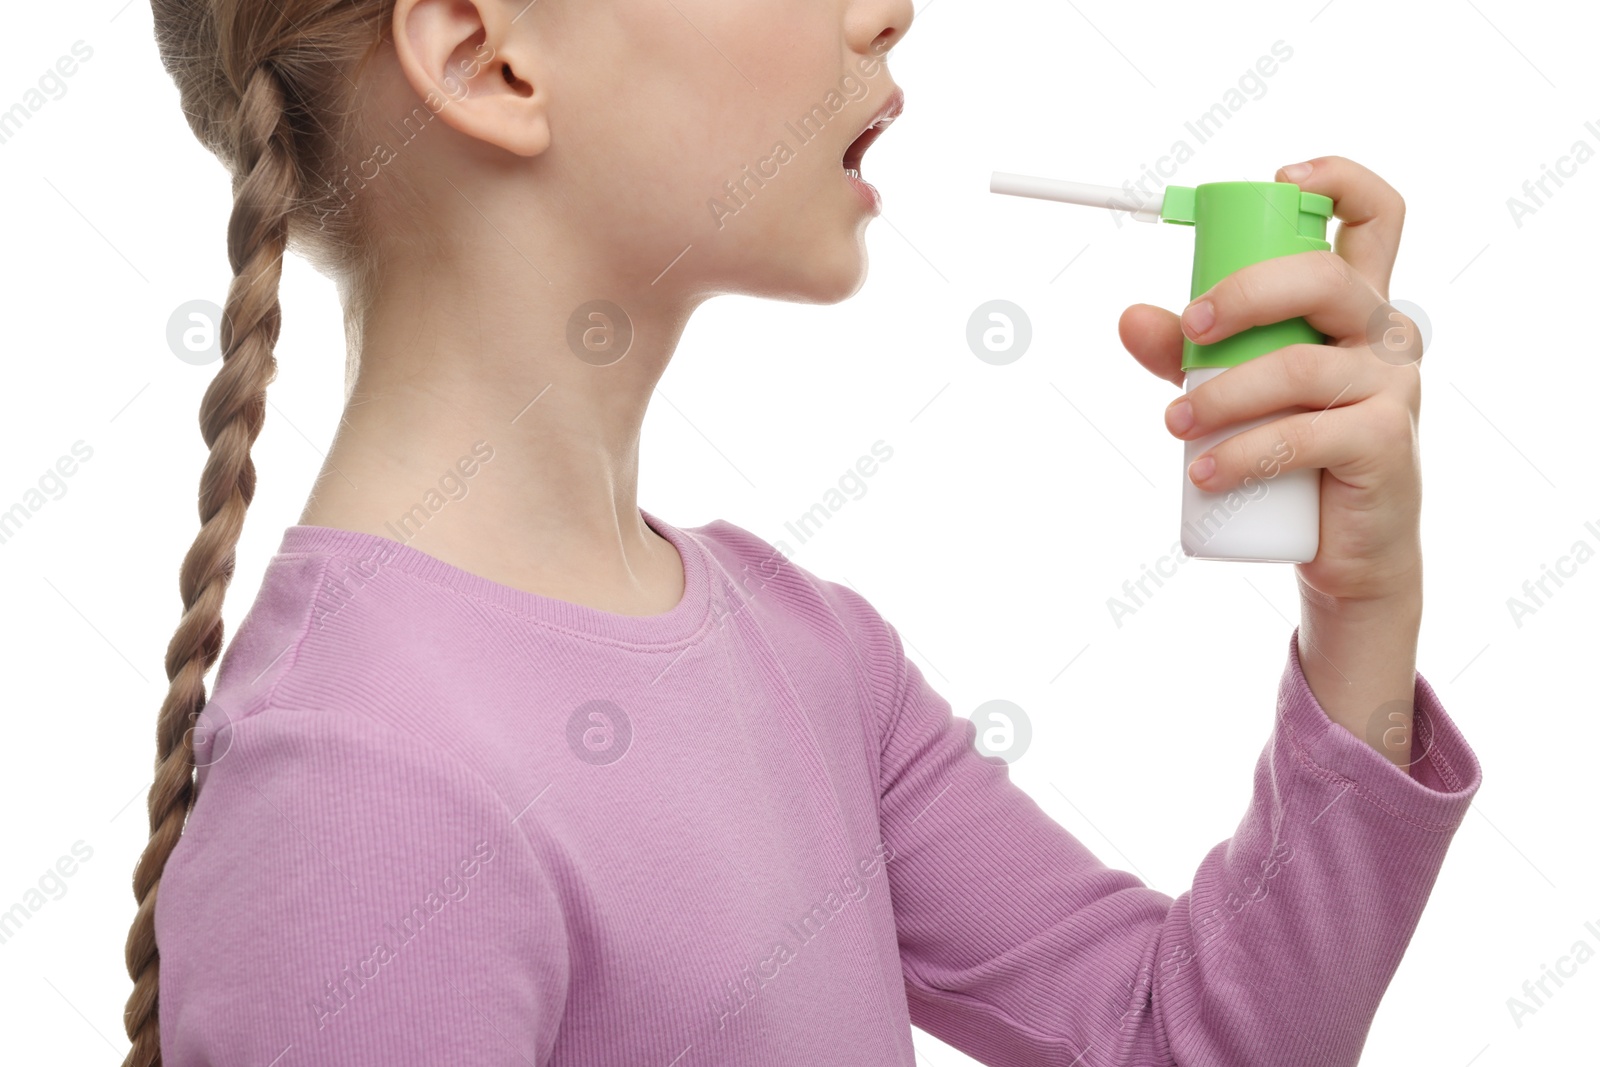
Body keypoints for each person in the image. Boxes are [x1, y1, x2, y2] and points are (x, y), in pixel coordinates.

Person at [124, 0, 1481, 1064]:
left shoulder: (808, 651)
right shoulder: (367, 792)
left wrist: (1360, 612)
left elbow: (1170, 1043)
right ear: (491, 61)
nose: (891, 12)